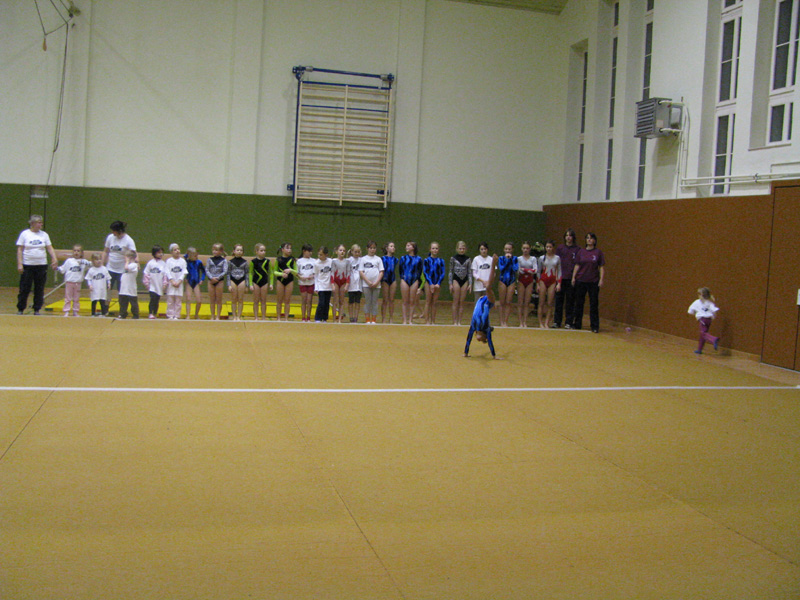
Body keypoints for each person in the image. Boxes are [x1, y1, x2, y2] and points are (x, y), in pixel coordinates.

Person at [16, 214, 58, 315]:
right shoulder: (25, 234)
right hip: (28, 265)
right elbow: (20, 249)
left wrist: (54, 258)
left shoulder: (44, 235)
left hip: (41, 265)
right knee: (25, 288)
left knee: (39, 288)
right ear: (33, 223)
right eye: (39, 222)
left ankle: (37, 309)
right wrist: (20, 264)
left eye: (41, 222)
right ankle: (21, 308)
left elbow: (49, 247)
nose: (41, 224)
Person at [464, 254, 500, 359]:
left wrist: (466, 353)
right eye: (483, 339)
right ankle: (493, 264)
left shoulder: (474, 326)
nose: (479, 340)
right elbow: (490, 342)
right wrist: (494, 356)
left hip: (482, 300)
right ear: (485, 336)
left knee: (488, 286)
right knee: (488, 287)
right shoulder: (486, 328)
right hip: (489, 302)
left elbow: (468, 339)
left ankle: (493, 265)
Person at [571, 232, 605, 333]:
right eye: (587, 238)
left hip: (593, 281)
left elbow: (601, 267)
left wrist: (601, 279)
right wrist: (573, 277)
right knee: (579, 303)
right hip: (581, 280)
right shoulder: (581, 252)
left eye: (591, 238)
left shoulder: (598, 252)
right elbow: (577, 265)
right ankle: (577, 324)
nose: (589, 240)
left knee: (593, 304)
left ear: (594, 240)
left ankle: (594, 326)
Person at [554, 228, 580, 329]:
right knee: (559, 301)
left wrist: (574, 277)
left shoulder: (577, 249)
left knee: (570, 301)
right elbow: (556, 263)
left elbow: (578, 264)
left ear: (573, 237)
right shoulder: (560, 248)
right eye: (567, 235)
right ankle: (557, 321)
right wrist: (557, 278)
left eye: (570, 235)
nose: (568, 237)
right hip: (561, 278)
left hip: (571, 278)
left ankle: (568, 322)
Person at [102, 220, 136, 293]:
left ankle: (121, 300)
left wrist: (136, 263)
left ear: (119, 231)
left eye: (114, 231)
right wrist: (102, 263)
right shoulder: (110, 237)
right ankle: (106, 301)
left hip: (122, 270)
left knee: (121, 290)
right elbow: (105, 251)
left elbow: (134, 253)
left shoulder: (128, 240)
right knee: (107, 288)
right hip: (110, 268)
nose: (112, 232)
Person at [57, 244, 90, 317]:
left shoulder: (84, 262)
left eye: (78, 251)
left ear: (81, 253)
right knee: (68, 298)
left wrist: (84, 262)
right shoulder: (69, 261)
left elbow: (90, 265)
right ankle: (66, 311)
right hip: (69, 282)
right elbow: (62, 269)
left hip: (78, 283)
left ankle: (75, 311)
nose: (76, 252)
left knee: (76, 298)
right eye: (75, 251)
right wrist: (56, 268)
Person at [537, 241, 562, 329]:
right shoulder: (542, 258)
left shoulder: (557, 258)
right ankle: (540, 322)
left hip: (552, 281)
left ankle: (547, 322)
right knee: (541, 302)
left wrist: (559, 283)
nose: (548, 249)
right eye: (547, 247)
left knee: (550, 303)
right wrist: (538, 284)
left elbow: (559, 271)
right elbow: (538, 271)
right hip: (543, 280)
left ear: (553, 248)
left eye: (550, 247)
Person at [688, 287, 720, 354]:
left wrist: (696, 313)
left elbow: (690, 311)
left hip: (702, 319)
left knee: (703, 333)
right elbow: (714, 311)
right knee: (702, 335)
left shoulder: (697, 302)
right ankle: (699, 349)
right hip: (709, 320)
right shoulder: (710, 302)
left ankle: (714, 339)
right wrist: (713, 316)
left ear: (701, 295)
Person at [360, 241, 384, 324]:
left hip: (377, 285)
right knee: (367, 301)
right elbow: (361, 272)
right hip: (366, 285)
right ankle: (367, 319)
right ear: (367, 249)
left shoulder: (378, 259)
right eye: (371, 248)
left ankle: (373, 319)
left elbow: (381, 271)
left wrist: (376, 282)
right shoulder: (363, 259)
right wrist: (368, 282)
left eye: (374, 248)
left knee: (374, 302)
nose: (372, 250)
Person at [449, 241, 472, 326]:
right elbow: (450, 271)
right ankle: (454, 321)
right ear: (457, 249)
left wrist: (470, 284)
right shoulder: (453, 258)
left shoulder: (468, 259)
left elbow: (469, 272)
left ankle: (459, 321)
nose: (462, 250)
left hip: (465, 281)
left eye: (463, 249)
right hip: (456, 280)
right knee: (455, 301)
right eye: (460, 248)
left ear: (465, 249)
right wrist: (450, 284)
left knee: (462, 302)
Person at [399, 241, 423, 325]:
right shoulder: (403, 258)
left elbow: (420, 271)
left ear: (413, 247)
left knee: (412, 301)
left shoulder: (419, 259)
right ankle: (404, 320)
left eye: (408, 245)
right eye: (406, 245)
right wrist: (402, 279)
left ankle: (410, 320)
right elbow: (400, 270)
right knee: (405, 301)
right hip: (405, 279)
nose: (406, 247)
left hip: (414, 280)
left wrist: (417, 281)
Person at [272, 242, 297, 321]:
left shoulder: (292, 260)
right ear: (282, 250)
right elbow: (274, 272)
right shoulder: (278, 259)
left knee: (287, 300)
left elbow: (296, 272)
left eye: (290, 248)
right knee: (279, 300)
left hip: (289, 281)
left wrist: (290, 270)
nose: (289, 250)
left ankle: (286, 318)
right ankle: (278, 318)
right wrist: (281, 274)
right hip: (280, 281)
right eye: (287, 248)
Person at [423, 241, 445, 325]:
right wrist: (430, 283)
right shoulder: (426, 260)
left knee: (434, 302)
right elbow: (425, 272)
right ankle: (427, 321)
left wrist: (438, 283)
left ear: (438, 250)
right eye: (433, 248)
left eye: (436, 248)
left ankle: (433, 321)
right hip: (429, 282)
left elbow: (442, 273)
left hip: (437, 283)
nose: (435, 250)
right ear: (430, 249)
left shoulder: (441, 261)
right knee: (428, 301)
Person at [165, 243, 188, 320]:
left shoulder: (182, 261)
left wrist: (179, 281)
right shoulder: (168, 261)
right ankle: (170, 315)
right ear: (171, 252)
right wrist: (172, 281)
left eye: (178, 249)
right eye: (175, 250)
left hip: (179, 284)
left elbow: (184, 272)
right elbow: (167, 272)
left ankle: (177, 315)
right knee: (170, 301)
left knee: (178, 301)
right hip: (171, 284)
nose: (177, 251)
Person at [497, 242, 518, 327]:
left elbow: (515, 269)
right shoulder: (501, 258)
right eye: (506, 249)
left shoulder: (515, 258)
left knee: (508, 302)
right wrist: (506, 260)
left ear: (512, 250)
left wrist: (510, 260)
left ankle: (506, 321)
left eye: (509, 249)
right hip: (502, 280)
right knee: (502, 302)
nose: (507, 251)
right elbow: (501, 268)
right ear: (504, 250)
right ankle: (501, 321)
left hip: (511, 280)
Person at [516, 241, 537, 328]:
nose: (525, 250)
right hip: (521, 280)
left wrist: (524, 269)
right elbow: (519, 270)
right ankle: (520, 322)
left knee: (527, 302)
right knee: (520, 302)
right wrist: (529, 270)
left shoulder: (533, 259)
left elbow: (535, 270)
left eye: (527, 248)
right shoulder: (519, 259)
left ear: (530, 249)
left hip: (530, 281)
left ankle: (525, 321)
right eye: (524, 248)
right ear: (522, 249)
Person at [143, 245, 167, 319]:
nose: (160, 254)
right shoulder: (150, 263)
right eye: (159, 252)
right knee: (152, 299)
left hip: (159, 285)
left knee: (157, 300)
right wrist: (147, 283)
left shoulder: (163, 263)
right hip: (152, 285)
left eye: (162, 253)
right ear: (154, 253)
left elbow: (165, 275)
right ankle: (150, 313)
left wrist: (165, 283)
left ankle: (155, 313)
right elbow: (146, 273)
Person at [206, 243, 228, 321]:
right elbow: (207, 269)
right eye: (213, 250)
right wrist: (211, 278)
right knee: (212, 300)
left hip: (219, 281)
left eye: (216, 250)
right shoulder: (209, 259)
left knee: (218, 299)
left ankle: (218, 316)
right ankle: (212, 316)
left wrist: (218, 278)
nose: (214, 251)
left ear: (221, 251)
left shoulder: (224, 260)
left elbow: (225, 271)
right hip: (211, 281)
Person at [227, 243, 248, 322]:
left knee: (240, 299)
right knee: (234, 299)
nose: (239, 251)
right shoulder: (230, 262)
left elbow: (247, 274)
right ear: (234, 251)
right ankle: (234, 316)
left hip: (242, 280)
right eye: (237, 250)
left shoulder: (245, 262)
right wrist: (229, 285)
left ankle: (239, 316)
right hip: (233, 280)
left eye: (241, 250)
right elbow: (228, 273)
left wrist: (247, 285)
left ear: (243, 252)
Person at [85, 252, 111, 316]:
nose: (99, 261)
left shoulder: (104, 269)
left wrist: (109, 283)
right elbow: (88, 279)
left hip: (102, 289)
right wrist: (90, 285)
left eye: (100, 259)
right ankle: (93, 313)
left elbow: (108, 278)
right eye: (96, 259)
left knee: (102, 301)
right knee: (94, 301)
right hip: (95, 289)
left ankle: (103, 313)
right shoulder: (91, 270)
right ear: (93, 261)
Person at [250, 243, 271, 321]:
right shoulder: (253, 262)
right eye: (261, 250)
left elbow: (271, 273)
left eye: (264, 250)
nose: (263, 252)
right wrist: (250, 284)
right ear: (256, 251)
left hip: (264, 282)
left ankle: (263, 317)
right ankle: (256, 317)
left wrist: (271, 283)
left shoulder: (267, 261)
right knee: (256, 300)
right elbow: (250, 273)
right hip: (256, 282)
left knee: (263, 300)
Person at [331, 244, 351, 323]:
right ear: (336, 252)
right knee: (335, 301)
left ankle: (339, 319)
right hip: (336, 281)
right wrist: (332, 284)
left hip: (343, 282)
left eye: (344, 250)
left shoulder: (347, 262)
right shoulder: (334, 261)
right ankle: (333, 319)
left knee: (341, 301)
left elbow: (348, 273)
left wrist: (347, 285)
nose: (342, 252)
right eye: (340, 250)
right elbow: (332, 273)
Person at [184, 247, 206, 319]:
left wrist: (202, 279)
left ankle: (196, 314)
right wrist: (188, 254)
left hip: (196, 282)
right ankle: (188, 315)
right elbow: (184, 257)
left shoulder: (199, 262)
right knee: (188, 299)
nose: (196, 257)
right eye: (195, 256)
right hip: (189, 281)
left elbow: (203, 272)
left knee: (199, 300)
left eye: (197, 255)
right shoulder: (186, 262)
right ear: (190, 256)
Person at [296, 243, 315, 322]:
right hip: (302, 283)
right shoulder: (299, 261)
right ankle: (303, 317)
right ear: (304, 251)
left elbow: (316, 272)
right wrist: (301, 277)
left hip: (311, 283)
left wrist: (312, 276)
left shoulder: (314, 261)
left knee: (309, 301)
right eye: (309, 251)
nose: (310, 253)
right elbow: (296, 273)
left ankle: (308, 317)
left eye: (311, 251)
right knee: (304, 300)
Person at [118, 250, 140, 319]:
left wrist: (127, 261)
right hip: (124, 287)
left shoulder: (134, 265)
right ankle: (122, 313)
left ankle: (135, 314)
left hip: (130, 287)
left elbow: (126, 268)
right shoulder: (129, 265)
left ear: (130, 257)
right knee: (123, 302)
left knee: (133, 302)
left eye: (126, 257)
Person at [380, 242, 398, 324]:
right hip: (385, 279)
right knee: (385, 300)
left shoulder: (395, 259)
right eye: (391, 246)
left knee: (392, 300)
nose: (393, 247)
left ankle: (391, 318)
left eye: (394, 246)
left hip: (393, 279)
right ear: (387, 248)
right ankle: (383, 319)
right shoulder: (382, 259)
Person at [314, 246, 333, 322]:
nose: (319, 256)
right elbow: (316, 276)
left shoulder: (331, 261)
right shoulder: (316, 263)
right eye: (318, 254)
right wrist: (316, 287)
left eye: (321, 255)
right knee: (321, 303)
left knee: (326, 303)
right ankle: (317, 318)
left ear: (326, 255)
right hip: (321, 286)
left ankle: (325, 318)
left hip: (328, 286)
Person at [348, 244, 363, 323]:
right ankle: (351, 317)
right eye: (355, 252)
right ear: (352, 252)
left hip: (359, 285)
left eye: (358, 252)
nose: (357, 253)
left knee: (357, 302)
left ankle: (356, 317)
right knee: (351, 302)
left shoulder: (361, 260)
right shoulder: (349, 260)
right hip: (351, 284)